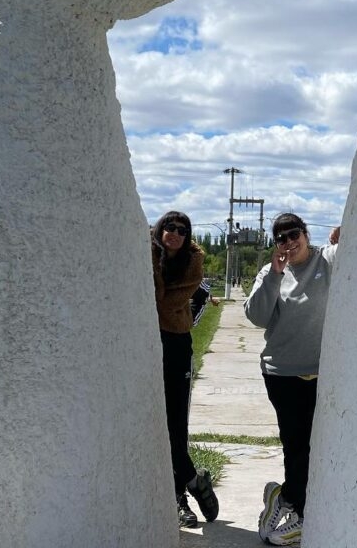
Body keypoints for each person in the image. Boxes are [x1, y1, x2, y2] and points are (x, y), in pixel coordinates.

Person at [244, 214, 340, 546]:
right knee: (298, 445)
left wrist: (347, 230)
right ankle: (296, 511)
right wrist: (274, 273)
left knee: (312, 446)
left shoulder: (324, 260)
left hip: (321, 374)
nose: (289, 242)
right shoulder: (271, 273)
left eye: (294, 234)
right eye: (281, 238)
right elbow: (256, 316)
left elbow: (356, 249)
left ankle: (284, 499)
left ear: (305, 233)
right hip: (281, 374)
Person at [151, 211, 219, 528]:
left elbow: (162, 305)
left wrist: (155, 286)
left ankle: (180, 498)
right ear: (159, 228)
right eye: (169, 226)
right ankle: (194, 480)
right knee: (156, 425)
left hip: (176, 344)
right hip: (147, 347)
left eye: (182, 230)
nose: (174, 233)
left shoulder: (193, 263)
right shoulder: (147, 254)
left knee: (175, 425)